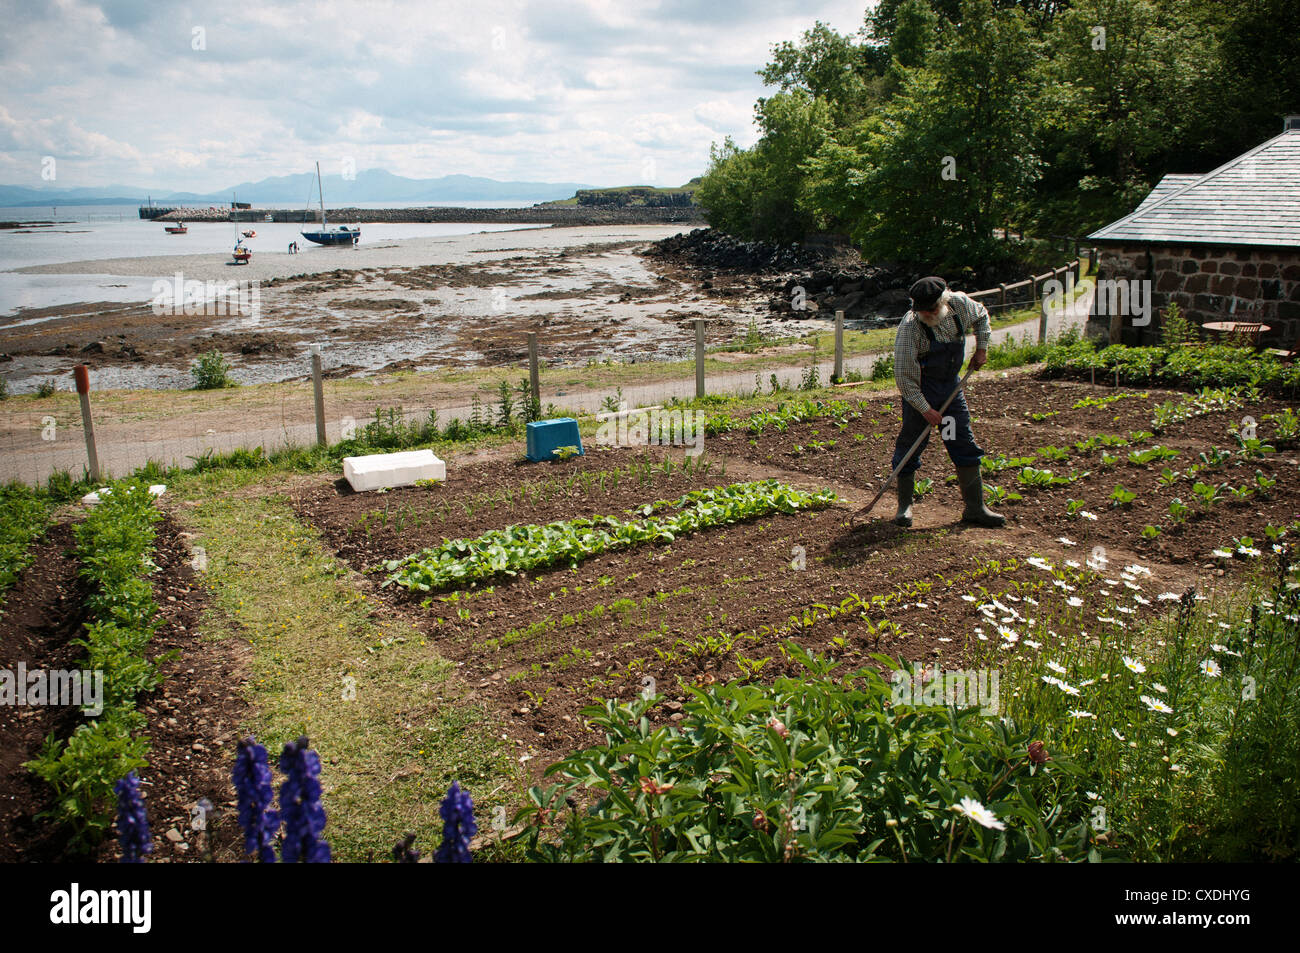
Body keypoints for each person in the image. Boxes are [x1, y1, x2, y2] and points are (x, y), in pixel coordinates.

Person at [890, 276, 1004, 528]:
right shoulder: (910, 328)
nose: (928, 314)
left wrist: (982, 348)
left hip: (951, 391)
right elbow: (904, 378)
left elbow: (982, 316)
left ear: (944, 301)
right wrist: (926, 410)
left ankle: (975, 508)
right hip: (921, 394)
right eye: (922, 310)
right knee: (910, 447)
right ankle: (904, 508)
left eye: (932, 309)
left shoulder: (960, 305)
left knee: (960, 440)